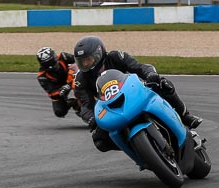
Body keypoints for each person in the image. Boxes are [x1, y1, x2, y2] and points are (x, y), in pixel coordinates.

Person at [72, 35, 203, 152]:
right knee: (99, 140)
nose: (85, 64)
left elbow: (139, 67)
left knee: (164, 84)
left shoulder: (115, 57)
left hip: (134, 92)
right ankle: (137, 149)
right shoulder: (80, 79)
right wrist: (90, 118)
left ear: (98, 54)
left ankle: (185, 116)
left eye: (88, 60)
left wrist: (150, 74)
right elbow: (85, 104)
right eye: (81, 61)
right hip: (111, 108)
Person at [36, 46, 80, 118]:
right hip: (60, 88)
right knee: (59, 111)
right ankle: (73, 103)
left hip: (74, 77)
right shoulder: (42, 77)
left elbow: (79, 61)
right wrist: (61, 90)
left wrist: (74, 71)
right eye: (47, 64)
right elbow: (52, 93)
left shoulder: (63, 56)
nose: (52, 65)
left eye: (52, 61)